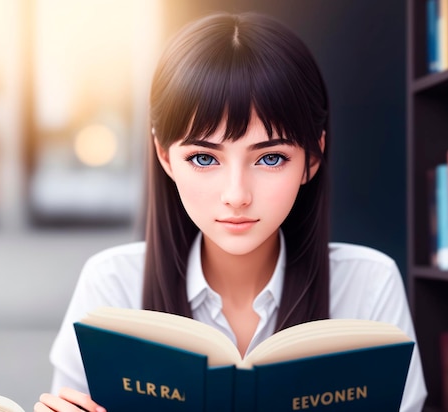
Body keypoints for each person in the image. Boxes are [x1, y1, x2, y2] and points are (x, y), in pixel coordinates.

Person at [35, 11, 427, 412]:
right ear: (165, 157)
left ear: (312, 158)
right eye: (205, 159)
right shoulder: (113, 286)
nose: (236, 195)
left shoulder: (368, 287)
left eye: (270, 158)